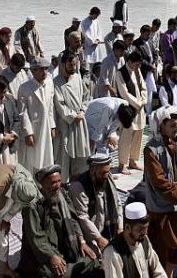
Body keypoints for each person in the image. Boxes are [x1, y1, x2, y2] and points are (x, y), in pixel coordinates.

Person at [19, 165, 104, 278]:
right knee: (50, 273)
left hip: (66, 246)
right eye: (53, 182)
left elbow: (73, 219)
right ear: (43, 184)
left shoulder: (62, 194)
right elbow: (36, 237)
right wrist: (51, 256)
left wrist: (81, 241)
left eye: (59, 181)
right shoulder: (32, 205)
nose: (57, 186)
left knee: (92, 255)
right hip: (42, 253)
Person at [143, 107, 177, 276]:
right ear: (160, 126)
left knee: (176, 249)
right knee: (161, 249)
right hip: (162, 208)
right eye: (172, 126)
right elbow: (159, 181)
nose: (176, 129)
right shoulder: (151, 150)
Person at [71, 152, 123, 255]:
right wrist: (98, 238)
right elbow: (82, 216)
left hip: (109, 227)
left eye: (108, 171)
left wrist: (120, 227)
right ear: (93, 170)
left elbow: (117, 202)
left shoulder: (107, 177)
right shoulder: (79, 186)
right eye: (103, 173)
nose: (106, 175)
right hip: (90, 234)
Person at [102, 202, 167, 278]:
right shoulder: (112, 253)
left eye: (146, 228)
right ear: (127, 227)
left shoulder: (144, 240)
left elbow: (158, 270)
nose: (145, 233)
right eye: (141, 229)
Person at [54, 51, 92, 182]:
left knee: (81, 156)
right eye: (70, 65)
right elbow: (60, 105)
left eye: (75, 65)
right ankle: (64, 183)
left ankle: (79, 182)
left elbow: (86, 96)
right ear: (63, 64)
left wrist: (82, 111)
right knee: (65, 155)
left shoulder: (77, 78)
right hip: (66, 124)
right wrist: (72, 116)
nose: (73, 68)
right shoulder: (56, 82)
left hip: (80, 122)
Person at [18, 58, 56, 177]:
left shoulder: (49, 83)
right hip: (34, 128)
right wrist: (28, 133)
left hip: (46, 125)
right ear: (33, 71)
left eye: (45, 69)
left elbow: (50, 106)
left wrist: (52, 125)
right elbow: (22, 112)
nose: (44, 72)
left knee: (47, 155)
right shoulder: (24, 88)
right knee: (33, 157)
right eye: (40, 69)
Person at [115, 51, 147, 174]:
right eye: (136, 64)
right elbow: (124, 93)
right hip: (128, 110)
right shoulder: (120, 73)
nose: (137, 67)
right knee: (126, 137)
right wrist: (137, 103)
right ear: (129, 62)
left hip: (140, 109)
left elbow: (143, 86)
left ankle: (133, 161)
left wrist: (143, 100)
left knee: (138, 134)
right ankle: (122, 164)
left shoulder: (137, 70)